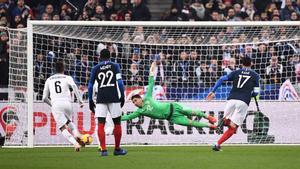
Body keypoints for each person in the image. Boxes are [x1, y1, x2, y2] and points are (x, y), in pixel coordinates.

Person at [122, 62, 217, 130]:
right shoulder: (140, 111)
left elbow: (151, 83)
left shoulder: (147, 97)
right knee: (191, 123)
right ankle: (210, 126)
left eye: (135, 100)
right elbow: (127, 117)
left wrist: (151, 70)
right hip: (172, 118)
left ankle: (208, 117)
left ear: (140, 98)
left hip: (174, 107)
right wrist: (115, 118)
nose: (134, 103)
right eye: (133, 102)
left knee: (192, 112)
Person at [206, 56, 260, 151]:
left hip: (231, 100)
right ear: (251, 63)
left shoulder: (235, 72)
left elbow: (221, 79)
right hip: (243, 102)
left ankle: (221, 122)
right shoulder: (255, 75)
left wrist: (213, 91)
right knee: (233, 128)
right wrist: (248, 94)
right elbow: (256, 92)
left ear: (241, 64)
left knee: (228, 122)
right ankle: (217, 144)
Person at [88, 49, 126, 156]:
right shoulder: (115, 66)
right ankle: (117, 149)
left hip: (101, 98)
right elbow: (120, 82)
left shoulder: (95, 68)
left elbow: (90, 85)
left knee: (101, 123)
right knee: (117, 123)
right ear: (110, 57)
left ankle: (104, 150)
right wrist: (122, 96)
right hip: (113, 96)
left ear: (100, 57)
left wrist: (90, 100)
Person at [42, 60, 84, 151]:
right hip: (67, 103)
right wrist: (80, 101)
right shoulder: (67, 77)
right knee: (69, 122)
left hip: (56, 104)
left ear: (54, 69)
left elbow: (44, 98)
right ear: (63, 68)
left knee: (62, 127)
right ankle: (76, 134)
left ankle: (75, 144)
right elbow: (74, 87)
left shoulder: (49, 79)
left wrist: (52, 104)